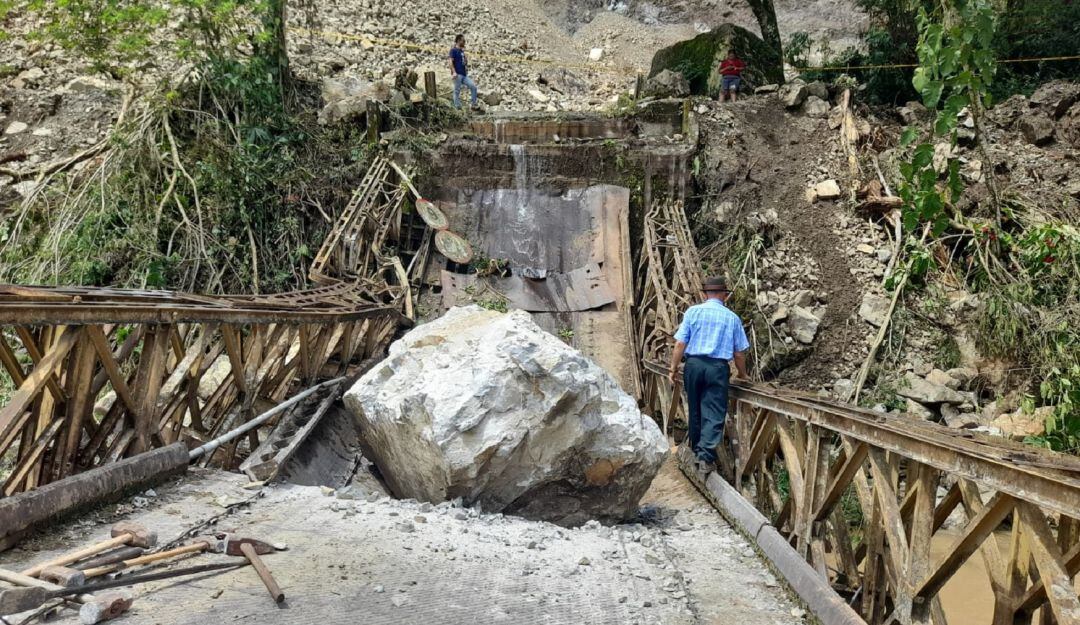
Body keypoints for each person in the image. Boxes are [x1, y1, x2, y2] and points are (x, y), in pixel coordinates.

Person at [668, 277, 750, 469]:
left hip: (693, 365)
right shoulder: (732, 318)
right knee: (713, 412)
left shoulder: (693, 312)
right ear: (725, 296)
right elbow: (739, 353)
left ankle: (696, 450)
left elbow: (680, 344)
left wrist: (673, 367)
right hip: (717, 368)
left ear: (705, 294)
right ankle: (704, 458)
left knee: (695, 408)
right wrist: (743, 374)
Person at [449, 34, 478, 110]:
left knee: (473, 86)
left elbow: (464, 63)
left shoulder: (461, 51)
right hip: (457, 74)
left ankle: (473, 104)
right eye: (463, 41)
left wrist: (465, 60)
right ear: (458, 41)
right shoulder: (453, 50)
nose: (464, 42)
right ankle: (457, 107)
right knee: (457, 90)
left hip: (464, 74)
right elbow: (450, 62)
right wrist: (454, 72)